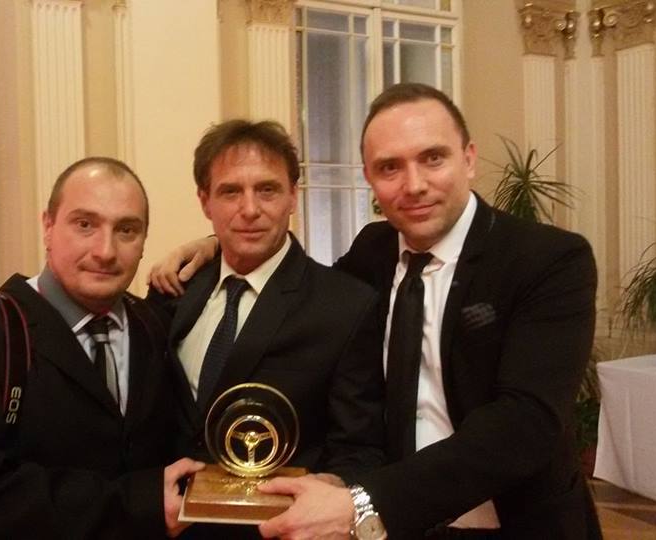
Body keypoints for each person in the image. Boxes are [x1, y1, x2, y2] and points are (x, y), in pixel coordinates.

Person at [151, 85, 601, 539]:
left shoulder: (547, 260)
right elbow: (294, 286)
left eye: (433, 158)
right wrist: (217, 246)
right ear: (369, 177)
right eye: (390, 167)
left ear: (468, 158)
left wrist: (366, 502)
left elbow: (524, 424)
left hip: (510, 523)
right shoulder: (373, 252)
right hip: (393, 529)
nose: (414, 184)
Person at [0, 157, 204, 539]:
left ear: (144, 241)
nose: (105, 251)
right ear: (48, 227)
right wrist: (141, 504)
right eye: (85, 224)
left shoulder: (153, 325)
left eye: (127, 230)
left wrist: (212, 243)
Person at [146, 120, 385, 505]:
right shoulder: (173, 289)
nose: (250, 209)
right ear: (205, 201)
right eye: (230, 192)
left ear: (292, 196)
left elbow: (359, 450)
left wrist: (329, 494)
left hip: (278, 525)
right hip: (169, 523)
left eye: (267, 190)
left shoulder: (345, 307)